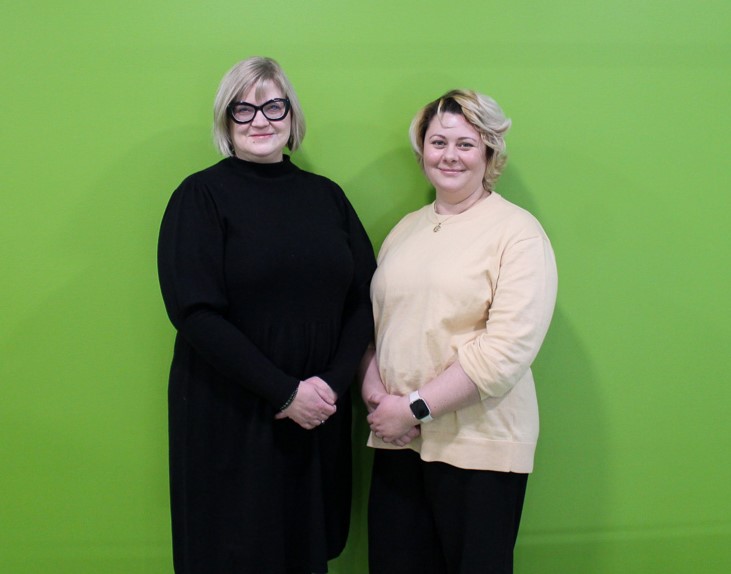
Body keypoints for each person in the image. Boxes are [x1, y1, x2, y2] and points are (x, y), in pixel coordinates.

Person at [157, 56, 376, 574]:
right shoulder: (200, 196)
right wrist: (284, 391)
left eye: (273, 106)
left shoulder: (327, 198)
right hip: (231, 411)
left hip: (316, 412)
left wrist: (330, 387)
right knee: (234, 550)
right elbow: (194, 311)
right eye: (244, 109)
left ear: (292, 118)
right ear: (226, 121)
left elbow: (368, 296)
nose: (260, 119)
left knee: (306, 549)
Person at [361, 89, 558, 574]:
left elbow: (506, 351)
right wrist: (374, 396)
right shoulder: (404, 230)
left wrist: (413, 408)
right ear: (422, 149)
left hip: (479, 448)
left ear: (489, 152)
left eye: (466, 144)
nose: (449, 155)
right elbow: (374, 326)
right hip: (399, 442)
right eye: (438, 141)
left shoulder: (518, 232)